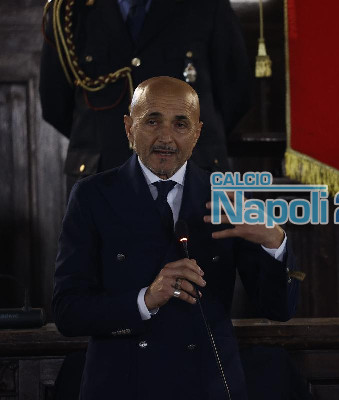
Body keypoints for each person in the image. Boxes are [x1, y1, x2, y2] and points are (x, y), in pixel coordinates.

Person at [53, 76, 300, 399]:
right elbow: (68, 312)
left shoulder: (228, 196)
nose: (166, 137)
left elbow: (279, 309)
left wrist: (275, 243)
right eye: (152, 121)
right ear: (129, 128)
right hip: (122, 386)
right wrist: (145, 300)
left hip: (207, 386)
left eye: (180, 124)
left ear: (197, 133)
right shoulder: (92, 196)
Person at [40, 0, 251, 192]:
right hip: (101, 181)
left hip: (192, 179)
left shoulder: (207, 5)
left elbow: (236, 93)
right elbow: (55, 104)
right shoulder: (70, 9)